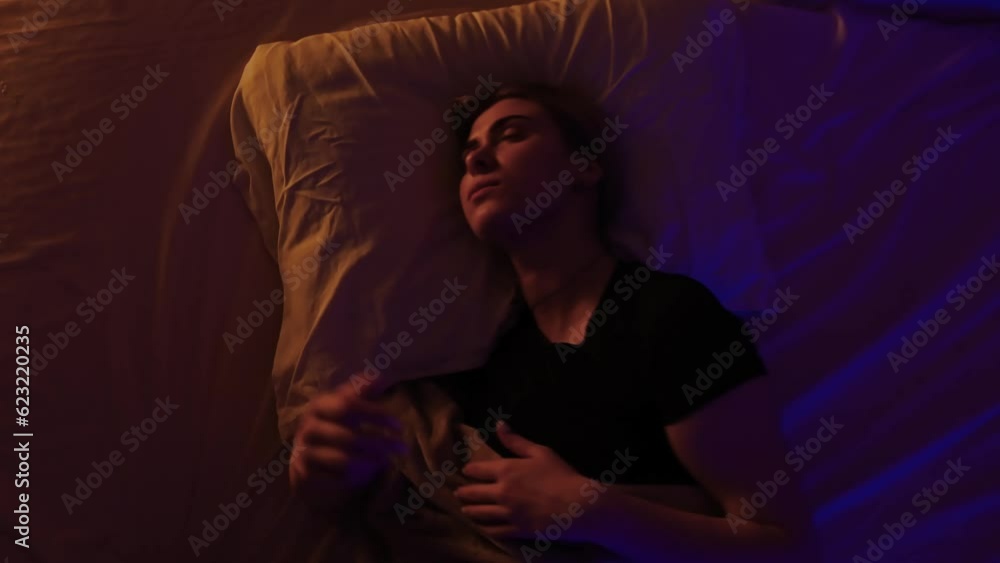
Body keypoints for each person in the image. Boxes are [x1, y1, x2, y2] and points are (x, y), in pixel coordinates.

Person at [289, 82, 821, 562]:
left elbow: (784, 545)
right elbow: (387, 501)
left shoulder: (672, 316)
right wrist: (319, 466)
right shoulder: (475, 355)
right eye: (470, 153)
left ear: (584, 167)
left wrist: (595, 511)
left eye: (512, 135)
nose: (477, 160)